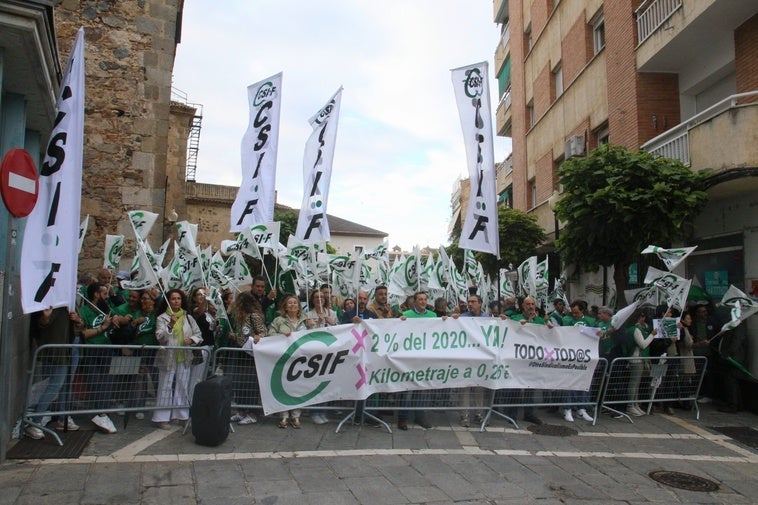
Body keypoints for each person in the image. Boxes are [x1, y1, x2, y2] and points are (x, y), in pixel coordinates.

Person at [25, 307, 82, 439]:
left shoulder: (69, 300)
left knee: (66, 384)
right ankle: (35, 422)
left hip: (70, 345)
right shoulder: (51, 301)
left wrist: (78, 319)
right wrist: (45, 318)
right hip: (58, 350)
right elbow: (40, 325)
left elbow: (80, 324)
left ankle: (63, 417)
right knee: (55, 385)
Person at [152, 289, 202, 428]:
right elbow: (160, 337)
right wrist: (170, 325)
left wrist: (191, 340)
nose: (176, 301)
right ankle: (162, 418)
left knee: (182, 385)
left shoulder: (188, 317)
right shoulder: (162, 318)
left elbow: (198, 334)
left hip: (184, 356)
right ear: (168, 301)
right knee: (165, 386)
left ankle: (181, 416)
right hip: (168, 356)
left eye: (178, 298)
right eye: (173, 299)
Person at [78, 282, 118, 434]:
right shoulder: (84, 311)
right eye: (104, 293)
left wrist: (117, 319)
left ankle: (102, 413)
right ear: (96, 294)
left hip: (106, 350)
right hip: (92, 350)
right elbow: (84, 333)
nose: (107, 296)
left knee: (107, 381)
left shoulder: (105, 308)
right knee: (95, 382)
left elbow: (117, 317)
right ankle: (100, 414)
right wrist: (103, 327)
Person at [502, 296, 548, 426]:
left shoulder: (540, 320)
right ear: (523, 306)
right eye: (528, 304)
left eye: (533, 304)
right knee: (515, 388)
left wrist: (549, 327)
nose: (531, 306)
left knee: (530, 388)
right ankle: (511, 414)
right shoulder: (516, 319)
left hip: (532, 359)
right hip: (518, 359)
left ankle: (529, 413)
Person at [396, 292, 436, 430]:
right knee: (408, 389)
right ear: (415, 301)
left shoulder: (433, 316)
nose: (423, 302)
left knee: (423, 389)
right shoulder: (406, 315)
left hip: (425, 357)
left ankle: (421, 417)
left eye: (425, 299)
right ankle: (403, 418)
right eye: (420, 299)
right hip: (410, 357)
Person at [268, 294, 308, 428]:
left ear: (299, 306)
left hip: (301, 360)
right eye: (289, 303)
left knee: (298, 388)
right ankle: (284, 416)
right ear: (285, 306)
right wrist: (281, 336)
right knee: (283, 386)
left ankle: (296, 416)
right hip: (283, 359)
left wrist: (313, 325)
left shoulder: (305, 321)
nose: (292, 305)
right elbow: (270, 334)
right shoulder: (278, 320)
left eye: (295, 303)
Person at [228, 291, 267, 426]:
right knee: (239, 382)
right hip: (240, 351)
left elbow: (263, 331)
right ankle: (241, 410)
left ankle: (252, 412)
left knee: (249, 383)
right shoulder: (239, 318)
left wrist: (258, 336)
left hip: (250, 353)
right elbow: (241, 334)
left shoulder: (254, 316)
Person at [454, 294, 489, 427]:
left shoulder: (487, 318)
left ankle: (479, 414)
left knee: (479, 388)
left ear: (480, 304)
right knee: (466, 388)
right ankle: (465, 416)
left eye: (473, 301)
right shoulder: (463, 318)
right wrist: (452, 320)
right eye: (469, 302)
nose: (470, 304)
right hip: (467, 358)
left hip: (481, 359)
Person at [304, 289, 338, 424]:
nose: (320, 299)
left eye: (322, 297)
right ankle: (314, 411)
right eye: (317, 297)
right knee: (315, 383)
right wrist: (317, 323)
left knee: (326, 383)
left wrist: (332, 323)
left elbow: (340, 331)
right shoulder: (308, 314)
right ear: (312, 300)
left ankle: (322, 411)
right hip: (314, 353)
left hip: (328, 351)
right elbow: (307, 333)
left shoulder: (333, 313)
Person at [560, 300, 597, 422]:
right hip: (570, 356)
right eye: (573, 312)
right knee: (569, 384)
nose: (574, 314)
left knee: (585, 383)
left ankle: (582, 408)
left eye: (576, 312)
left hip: (585, 357)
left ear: (582, 310)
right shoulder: (566, 320)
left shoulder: (591, 321)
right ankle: (567, 408)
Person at [625, 308, 658, 417]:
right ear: (640, 318)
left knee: (636, 384)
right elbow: (643, 344)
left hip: (637, 359)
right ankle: (630, 406)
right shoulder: (636, 330)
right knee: (634, 383)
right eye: (643, 317)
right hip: (636, 359)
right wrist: (652, 335)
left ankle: (635, 404)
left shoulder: (637, 329)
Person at [131, 290, 158, 420]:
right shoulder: (136, 314)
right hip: (139, 350)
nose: (144, 302)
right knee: (140, 378)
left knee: (155, 377)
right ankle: (139, 406)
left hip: (153, 351)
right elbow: (130, 332)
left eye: (147, 299)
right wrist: (135, 323)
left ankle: (160, 406)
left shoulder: (157, 315)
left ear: (153, 301)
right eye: (142, 299)